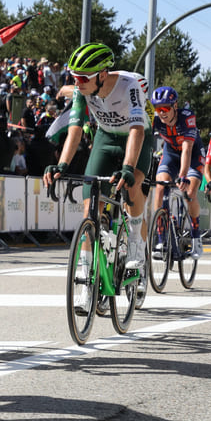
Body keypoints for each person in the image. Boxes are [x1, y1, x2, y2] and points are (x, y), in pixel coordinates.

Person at [43, 43, 153, 314]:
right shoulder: (83, 91)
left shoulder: (129, 86)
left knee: (132, 184)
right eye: (73, 77)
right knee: (89, 210)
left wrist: (128, 167)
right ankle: (87, 286)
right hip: (105, 138)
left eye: (82, 78)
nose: (76, 83)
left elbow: (138, 130)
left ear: (102, 75)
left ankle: (138, 251)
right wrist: (62, 164)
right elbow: (76, 129)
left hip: (135, 138)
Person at [149, 86, 203, 260]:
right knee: (160, 186)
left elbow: (187, 150)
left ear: (175, 106)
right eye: (158, 109)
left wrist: (182, 176)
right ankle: (160, 239)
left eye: (165, 108)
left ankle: (196, 237)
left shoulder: (187, 118)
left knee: (190, 193)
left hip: (193, 154)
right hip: (171, 153)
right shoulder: (155, 120)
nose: (161, 113)